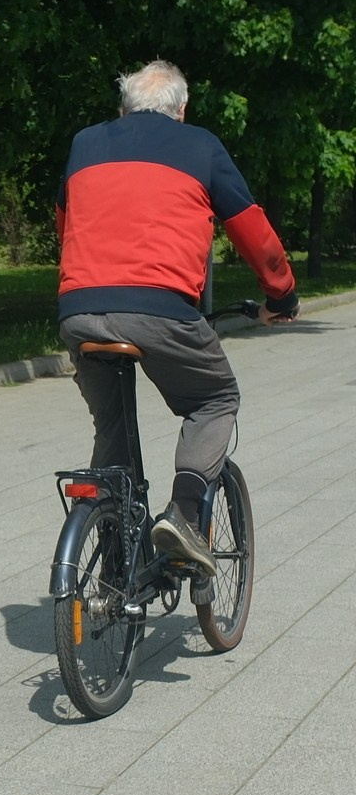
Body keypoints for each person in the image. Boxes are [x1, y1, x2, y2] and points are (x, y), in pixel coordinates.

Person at [56, 59, 299, 575]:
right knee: (216, 397)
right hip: (159, 312)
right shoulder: (200, 146)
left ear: (122, 109)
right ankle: (184, 519)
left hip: (79, 312)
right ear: (181, 111)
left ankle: (113, 556)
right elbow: (251, 231)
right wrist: (281, 295)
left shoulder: (84, 143)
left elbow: (66, 222)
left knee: (113, 424)